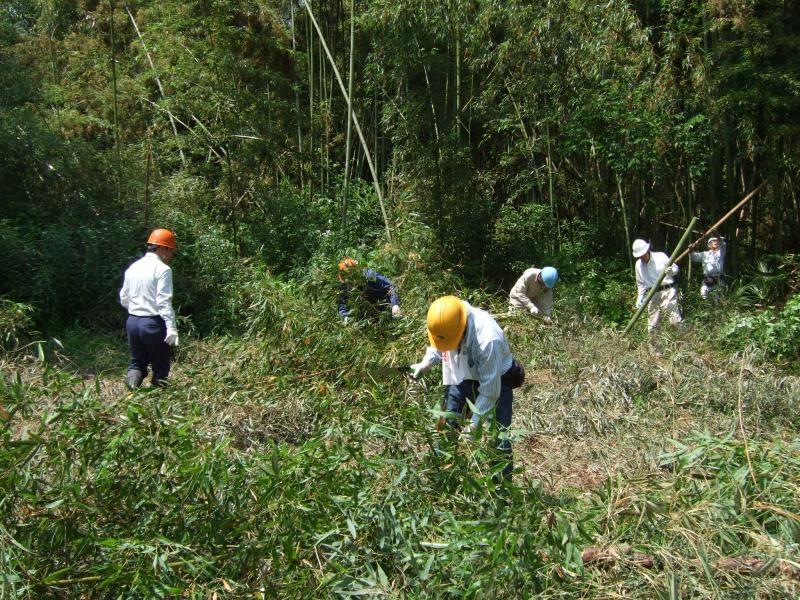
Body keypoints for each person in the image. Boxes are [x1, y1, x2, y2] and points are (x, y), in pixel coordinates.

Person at [409, 296, 525, 480]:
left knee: (499, 439)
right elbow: (439, 342)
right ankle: (443, 481)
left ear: (462, 330)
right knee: (446, 428)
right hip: (460, 376)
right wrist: (427, 362)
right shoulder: (446, 318)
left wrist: (473, 427)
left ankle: (501, 492)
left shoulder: (487, 339)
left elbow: (489, 392)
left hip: (496, 383)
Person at [119, 228, 179, 388]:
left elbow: (124, 297)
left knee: (137, 363)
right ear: (162, 248)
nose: (172, 255)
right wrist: (171, 328)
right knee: (161, 366)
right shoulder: (163, 270)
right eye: (171, 250)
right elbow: (164, 301)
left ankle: (130, 397)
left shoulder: (134, 267)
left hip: (132, 323)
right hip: (152, 324)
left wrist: (137, 312)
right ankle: (160, 402)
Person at [632, 239, 684, 335]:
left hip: (667, 291)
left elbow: (675, 268)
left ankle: (685, 344)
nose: (642, 257)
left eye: (643, 254)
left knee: (674, 321)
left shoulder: (660, 256)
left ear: (647, 250)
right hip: (652, 295)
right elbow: (640, 284)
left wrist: (671, 271)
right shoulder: (638, 265)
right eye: (639, 256)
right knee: (652, 328)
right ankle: (655, 350)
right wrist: (639, 298)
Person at [337, 257, 401, 322]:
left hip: (384, 307)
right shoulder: (345, 284)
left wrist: (395, 305)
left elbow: (391, 287)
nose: (350, 283)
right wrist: (345, 317)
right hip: (366, 315)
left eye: (351, 279)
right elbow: (342, 303)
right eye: (347, 280)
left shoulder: (370, 276)